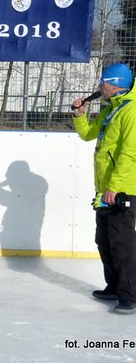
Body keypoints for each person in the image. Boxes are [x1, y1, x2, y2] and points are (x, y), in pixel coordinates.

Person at [72, 63, 136, 314]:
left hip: (121, 189)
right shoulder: (112, 109)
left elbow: (129, 154)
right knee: (105, 241)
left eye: (103, 82)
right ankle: (114, 286)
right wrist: (80, 116)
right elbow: (88, 134)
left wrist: (115, 187)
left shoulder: (131, 112)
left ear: (116, 84)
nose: (100, 86)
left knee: (122, 243)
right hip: (105, 189)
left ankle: (129, 294)